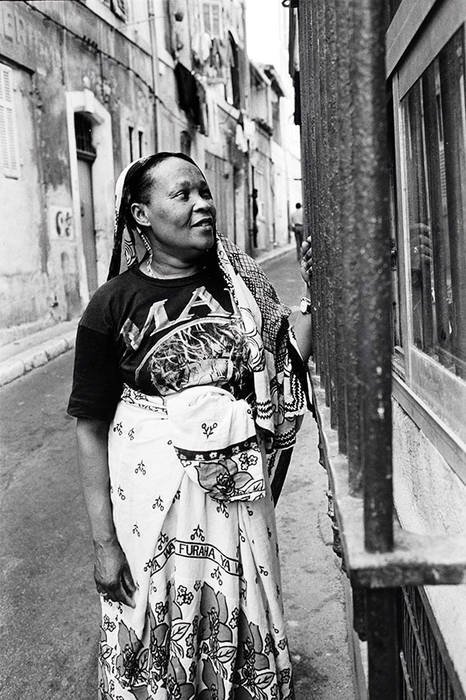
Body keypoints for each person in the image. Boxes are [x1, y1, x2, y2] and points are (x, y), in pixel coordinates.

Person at [68, 152, 313, 699]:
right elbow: (90, 427)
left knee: (239, 620)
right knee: (155, 638)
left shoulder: (242, 283)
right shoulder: (110, 306)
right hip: (149, 511)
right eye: (183, 194)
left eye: (205, 191)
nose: (204, 203)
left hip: (236, 500)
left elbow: (286, 363)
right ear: (140, 214)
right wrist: (104, 544)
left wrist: (320, 294)